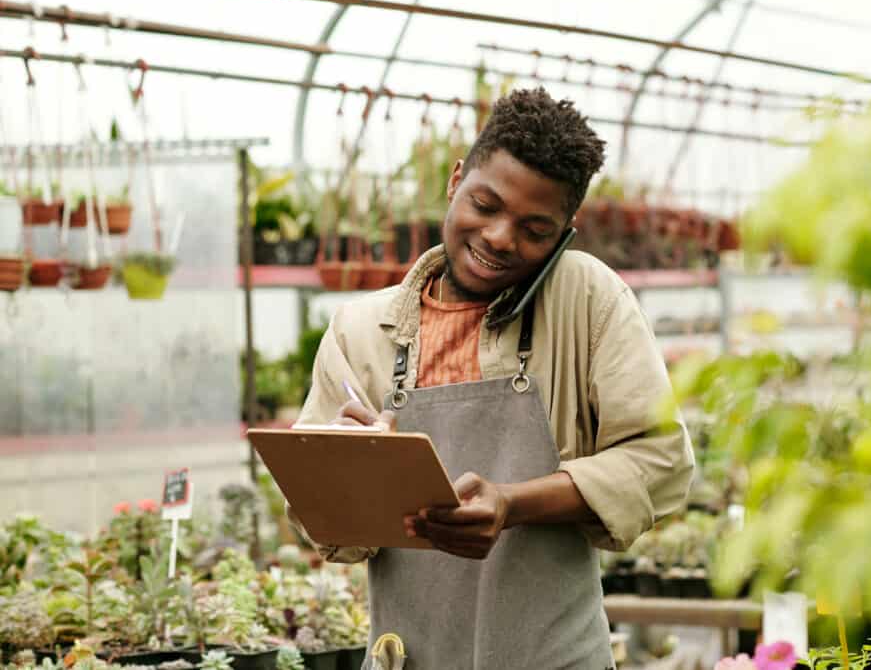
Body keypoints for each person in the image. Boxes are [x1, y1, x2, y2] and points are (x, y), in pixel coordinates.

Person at [292, 87, 695, 669]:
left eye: (535, 229)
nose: (501, 237)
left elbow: (661, 462)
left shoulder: (586, 299)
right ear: (456, 180)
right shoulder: (361, 331)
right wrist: (357, 470)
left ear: (566, 230)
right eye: (486, 204)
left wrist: (513, 503)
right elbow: (329, 531)